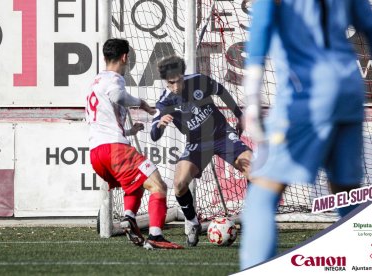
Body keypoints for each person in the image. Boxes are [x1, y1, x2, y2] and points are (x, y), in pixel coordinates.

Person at [240, 0, 372, 269]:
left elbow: (261, 25)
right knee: (347, 195)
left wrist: (251, 99)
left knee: (262, 193)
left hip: (305, 96)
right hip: (349, 92)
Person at [86, 38, 183, 250]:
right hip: (114, 150)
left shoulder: (96, 81)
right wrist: (142, 104)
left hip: (96, 154)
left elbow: (100, 121)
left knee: (136, 183)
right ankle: (156, 235)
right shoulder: (114, 78)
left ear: (104, 57)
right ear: (125, 57)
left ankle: (129, 217)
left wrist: (129, 131)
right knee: (158, 185)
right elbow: (118, 95)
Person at [150, 55, 252, 246]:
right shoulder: (165, 102)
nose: (176, 86)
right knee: (179, 184)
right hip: (197, 143)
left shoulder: (198, 80)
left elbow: (220, 91)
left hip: (221, 134)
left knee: (253, 168)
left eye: (178, 80)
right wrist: (160, 126)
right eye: (171, 83)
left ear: (182, 75)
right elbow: (153, 135)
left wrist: (239, 116)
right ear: (166, 82)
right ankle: (193, 222)